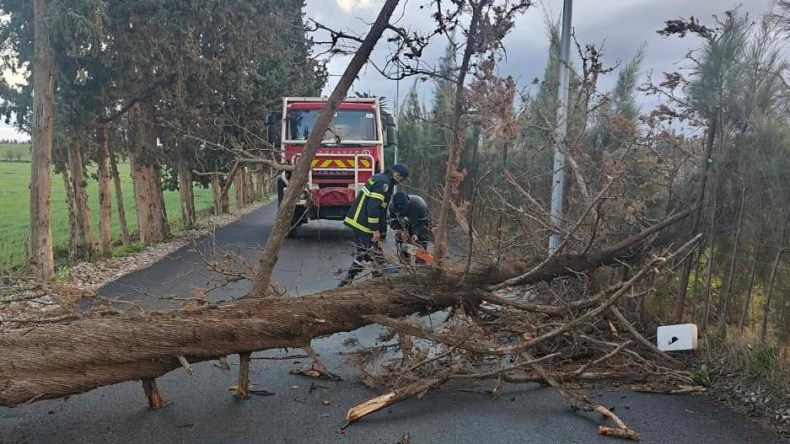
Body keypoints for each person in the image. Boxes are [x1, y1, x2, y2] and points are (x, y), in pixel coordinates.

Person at [338, 163, 410, 287]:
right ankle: (349, 282)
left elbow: (381, 209)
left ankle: (372, 280)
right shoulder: (384, 184)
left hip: (358, 221)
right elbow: (374, 208)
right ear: (397, 175)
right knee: (373, 253)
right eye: (401, 179)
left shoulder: (380, 178)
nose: (401, 182)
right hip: (363, 224)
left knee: (367, 253)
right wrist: (375, 230)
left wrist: (382, 231)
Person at [389, 192, 433, 263]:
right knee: (401, 238)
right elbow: (393, 223)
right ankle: (405, 259)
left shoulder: (420, 205)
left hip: (420, 223)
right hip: (404, 225)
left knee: (422, 239)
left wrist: (415, 233)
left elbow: (424, 223)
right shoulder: (392, 207)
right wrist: (401, 231)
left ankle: (420, 262)